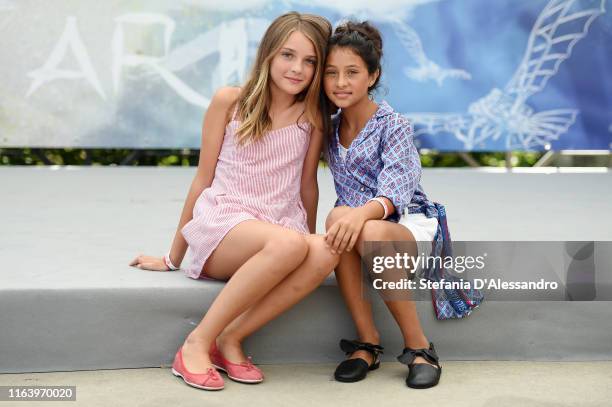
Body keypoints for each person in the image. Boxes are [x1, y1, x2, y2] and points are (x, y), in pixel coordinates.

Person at [130, 12, 339, 391]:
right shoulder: (230, 102)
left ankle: (230, 339)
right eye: (288, 55)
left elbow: (308, 187)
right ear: (268, 54)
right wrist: (173, 256)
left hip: (278, 233)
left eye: (310, 61)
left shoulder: (313, 118)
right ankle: (196, 343)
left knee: (324, 249)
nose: (297, 68)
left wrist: (305, 249)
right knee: (288, 242)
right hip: (224, 227)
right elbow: (202, 179)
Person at [322, 20, 479, 389]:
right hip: (357, 227)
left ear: (372, 76)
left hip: (408, 225)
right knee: (338, 217)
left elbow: (396, 192)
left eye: (352, 72)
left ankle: (419, 345)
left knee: (362, 223)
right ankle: (367, 342)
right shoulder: (327, 127)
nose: (340, 82)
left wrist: (358, 215)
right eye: (331, 73)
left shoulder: (394, 124)